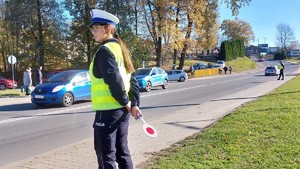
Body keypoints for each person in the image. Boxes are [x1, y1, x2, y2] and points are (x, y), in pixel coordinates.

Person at [88, 9, 141, 169]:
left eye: (96, 28)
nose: (93, 33)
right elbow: (132, 79)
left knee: (106, 156)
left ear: (108, 28)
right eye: (92, 29)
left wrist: (126, 102)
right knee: (122, 152)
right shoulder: (120, 49)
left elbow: (115, 81)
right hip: (121, 112)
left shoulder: (105, 51)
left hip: (108, 112)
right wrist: (134, 104)